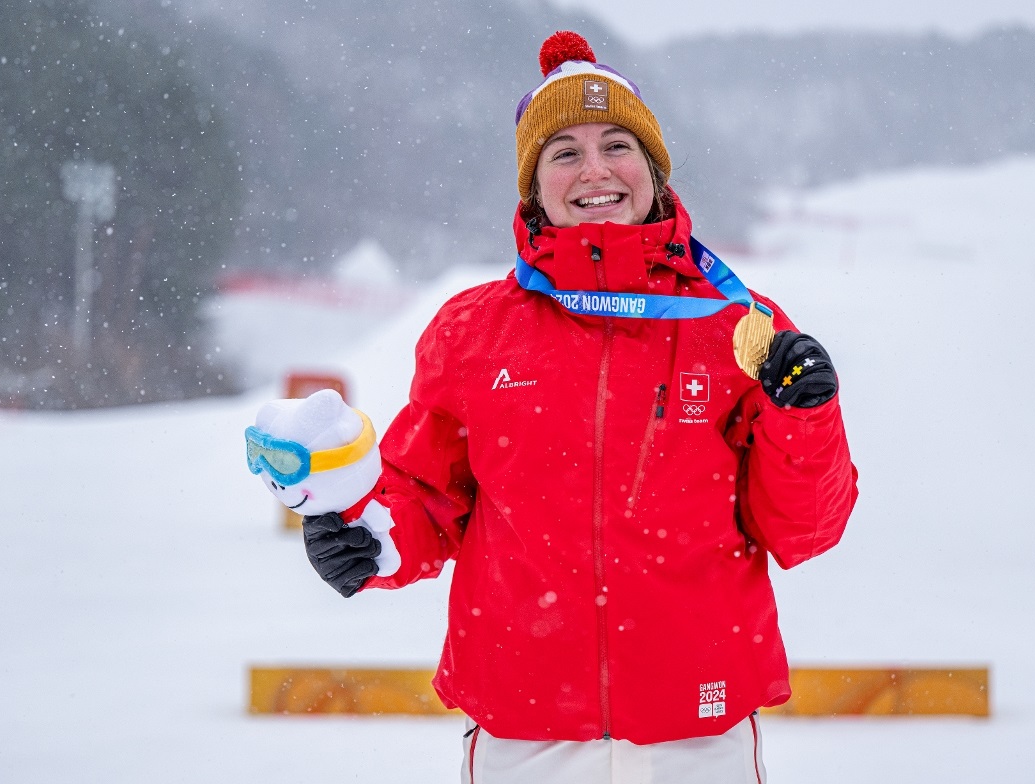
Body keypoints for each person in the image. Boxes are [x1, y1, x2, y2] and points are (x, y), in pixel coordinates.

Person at [300, 30, 858, 783]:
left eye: (617, 145)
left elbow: (803, 529)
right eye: (564, 152)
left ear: (653, 170)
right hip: (526, 727)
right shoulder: (474, 331)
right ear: (534, 187)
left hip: (697, 726)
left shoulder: (736, 326)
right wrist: (369, 538)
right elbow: (426, 496)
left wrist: (807, 418)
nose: (595, 170)